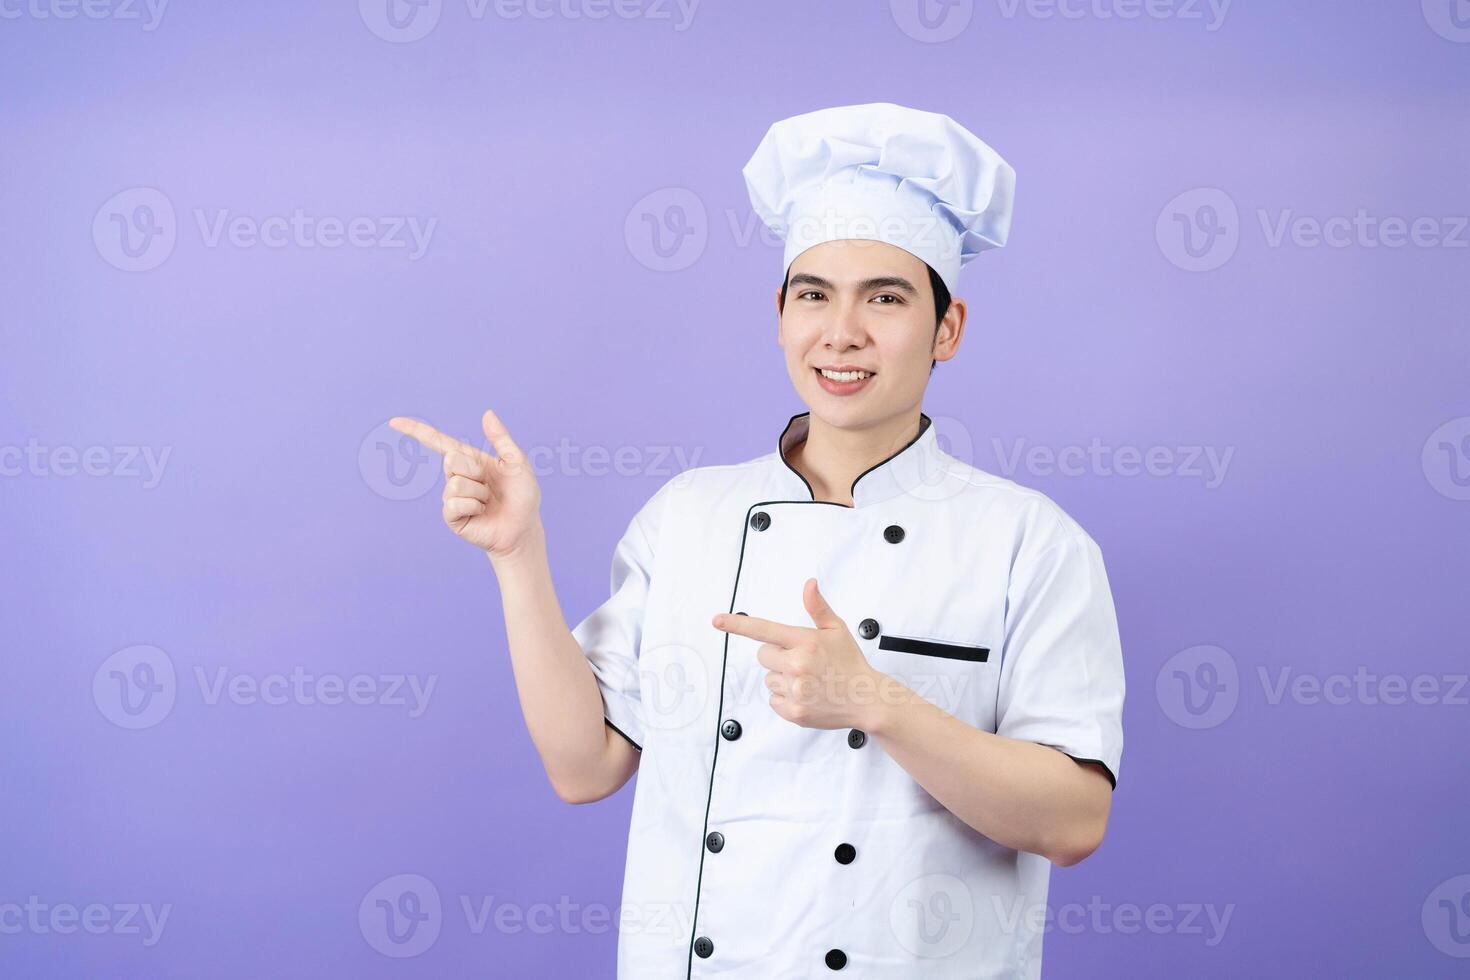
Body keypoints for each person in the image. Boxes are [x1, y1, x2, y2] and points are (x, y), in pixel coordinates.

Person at [390, 102, 1125, 979]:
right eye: (814, 295)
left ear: (948, 328)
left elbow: (1074, 823)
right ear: (780, 314)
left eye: (884, 298)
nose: (841, 333)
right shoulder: (690, 514)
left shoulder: (1029, 543)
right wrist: (518, 555)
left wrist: (873, 700)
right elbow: (584, 767)